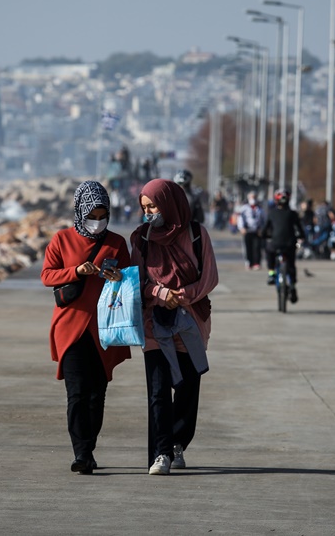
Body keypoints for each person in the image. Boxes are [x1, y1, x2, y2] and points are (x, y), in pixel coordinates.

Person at [40, 180, 131, 474]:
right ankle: (81, 453)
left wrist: (117, 276)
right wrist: (76, 271)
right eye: (92, 215)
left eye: (103, 215)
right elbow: (47, 276)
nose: (97, 221)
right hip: (71, 329)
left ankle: (88, 447)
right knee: (77, 392)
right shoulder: (61, 240)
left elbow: (130, 279)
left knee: (97, 393)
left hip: (104, 328)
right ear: (80, 212)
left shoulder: (117, 243)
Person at [130, 179, 219, 476]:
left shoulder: (196, 235)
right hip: (155, 322)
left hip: (190, 321)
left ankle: (179, 442)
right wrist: (160, 294)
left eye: (153, 206)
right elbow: (137, 281)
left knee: (187, 388)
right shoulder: (142, 238)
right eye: (144, 208)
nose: (149, 213)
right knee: (157, 390)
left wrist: (184, 296)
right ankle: (161, 453)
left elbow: (210, 276)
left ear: (169, 204)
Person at [263, 189, 306, 303]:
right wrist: (302, 237)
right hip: (290, 244)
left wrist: (263, 235)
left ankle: (271, 273)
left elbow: (265, 229)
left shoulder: (272, 213)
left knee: (269, 252)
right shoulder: (293, 214)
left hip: (275, 243)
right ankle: (292, 284)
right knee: (291, 263)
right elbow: (300, 230)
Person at [237, 192, 266, 270]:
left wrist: (262, 229)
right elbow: (240, 219)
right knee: (248, 247)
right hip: (247, 231)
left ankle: (256, 263)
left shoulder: (260, 209)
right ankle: (249, 262)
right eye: (251, 197)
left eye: (254, 197)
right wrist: (241, 228)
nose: (253, 199)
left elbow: (264, 220)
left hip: (257, 231)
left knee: (257, 247)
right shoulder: (244, 208)